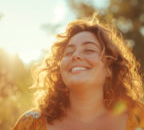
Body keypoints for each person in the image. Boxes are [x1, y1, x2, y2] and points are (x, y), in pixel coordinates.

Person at [13, 17, 144, 130]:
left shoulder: (140, 117)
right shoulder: (30, 124)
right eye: (69, 52)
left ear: (109, 68)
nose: (75, 55)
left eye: (89, 50)